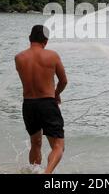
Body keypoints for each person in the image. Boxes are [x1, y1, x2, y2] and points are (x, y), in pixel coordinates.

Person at [15, 25, 68, 174]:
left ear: (30, 38)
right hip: (47, 104)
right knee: (58, 146)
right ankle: (47, 173)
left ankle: (34, 171)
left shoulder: (19, 58)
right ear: (46, 40)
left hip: (28, 105)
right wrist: (56, 94)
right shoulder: (52, 56)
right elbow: (63, 81)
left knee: (35, 143)